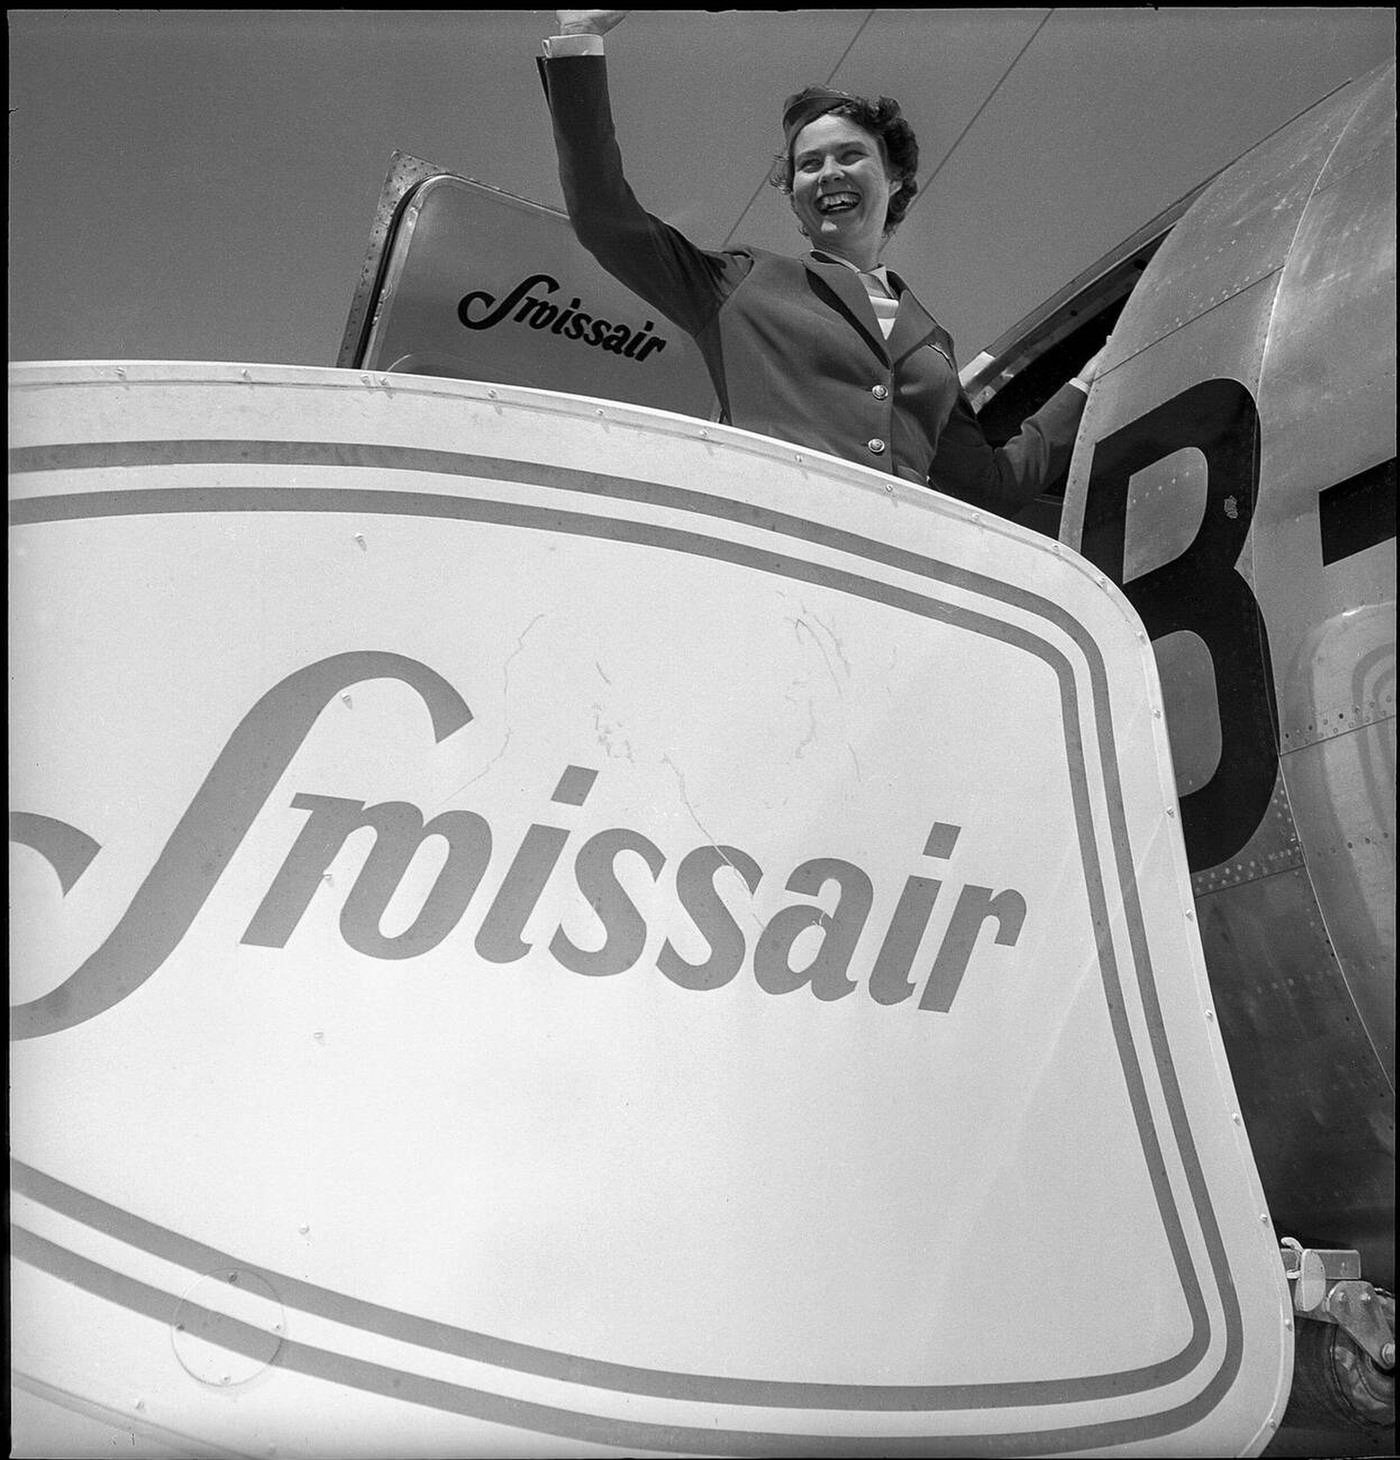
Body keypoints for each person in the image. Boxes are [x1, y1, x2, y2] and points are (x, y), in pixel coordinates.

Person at [539, 10, 1105, 515]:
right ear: (794, 196)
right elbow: (604, 218)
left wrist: (1088, 382)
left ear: (895, 177)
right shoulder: (738, 283)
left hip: (898, 568)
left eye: (850, 155)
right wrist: (579, 38)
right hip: (773, 547)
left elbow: (991, 487)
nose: (829, 172)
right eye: (809, 165)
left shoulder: (932, 340)